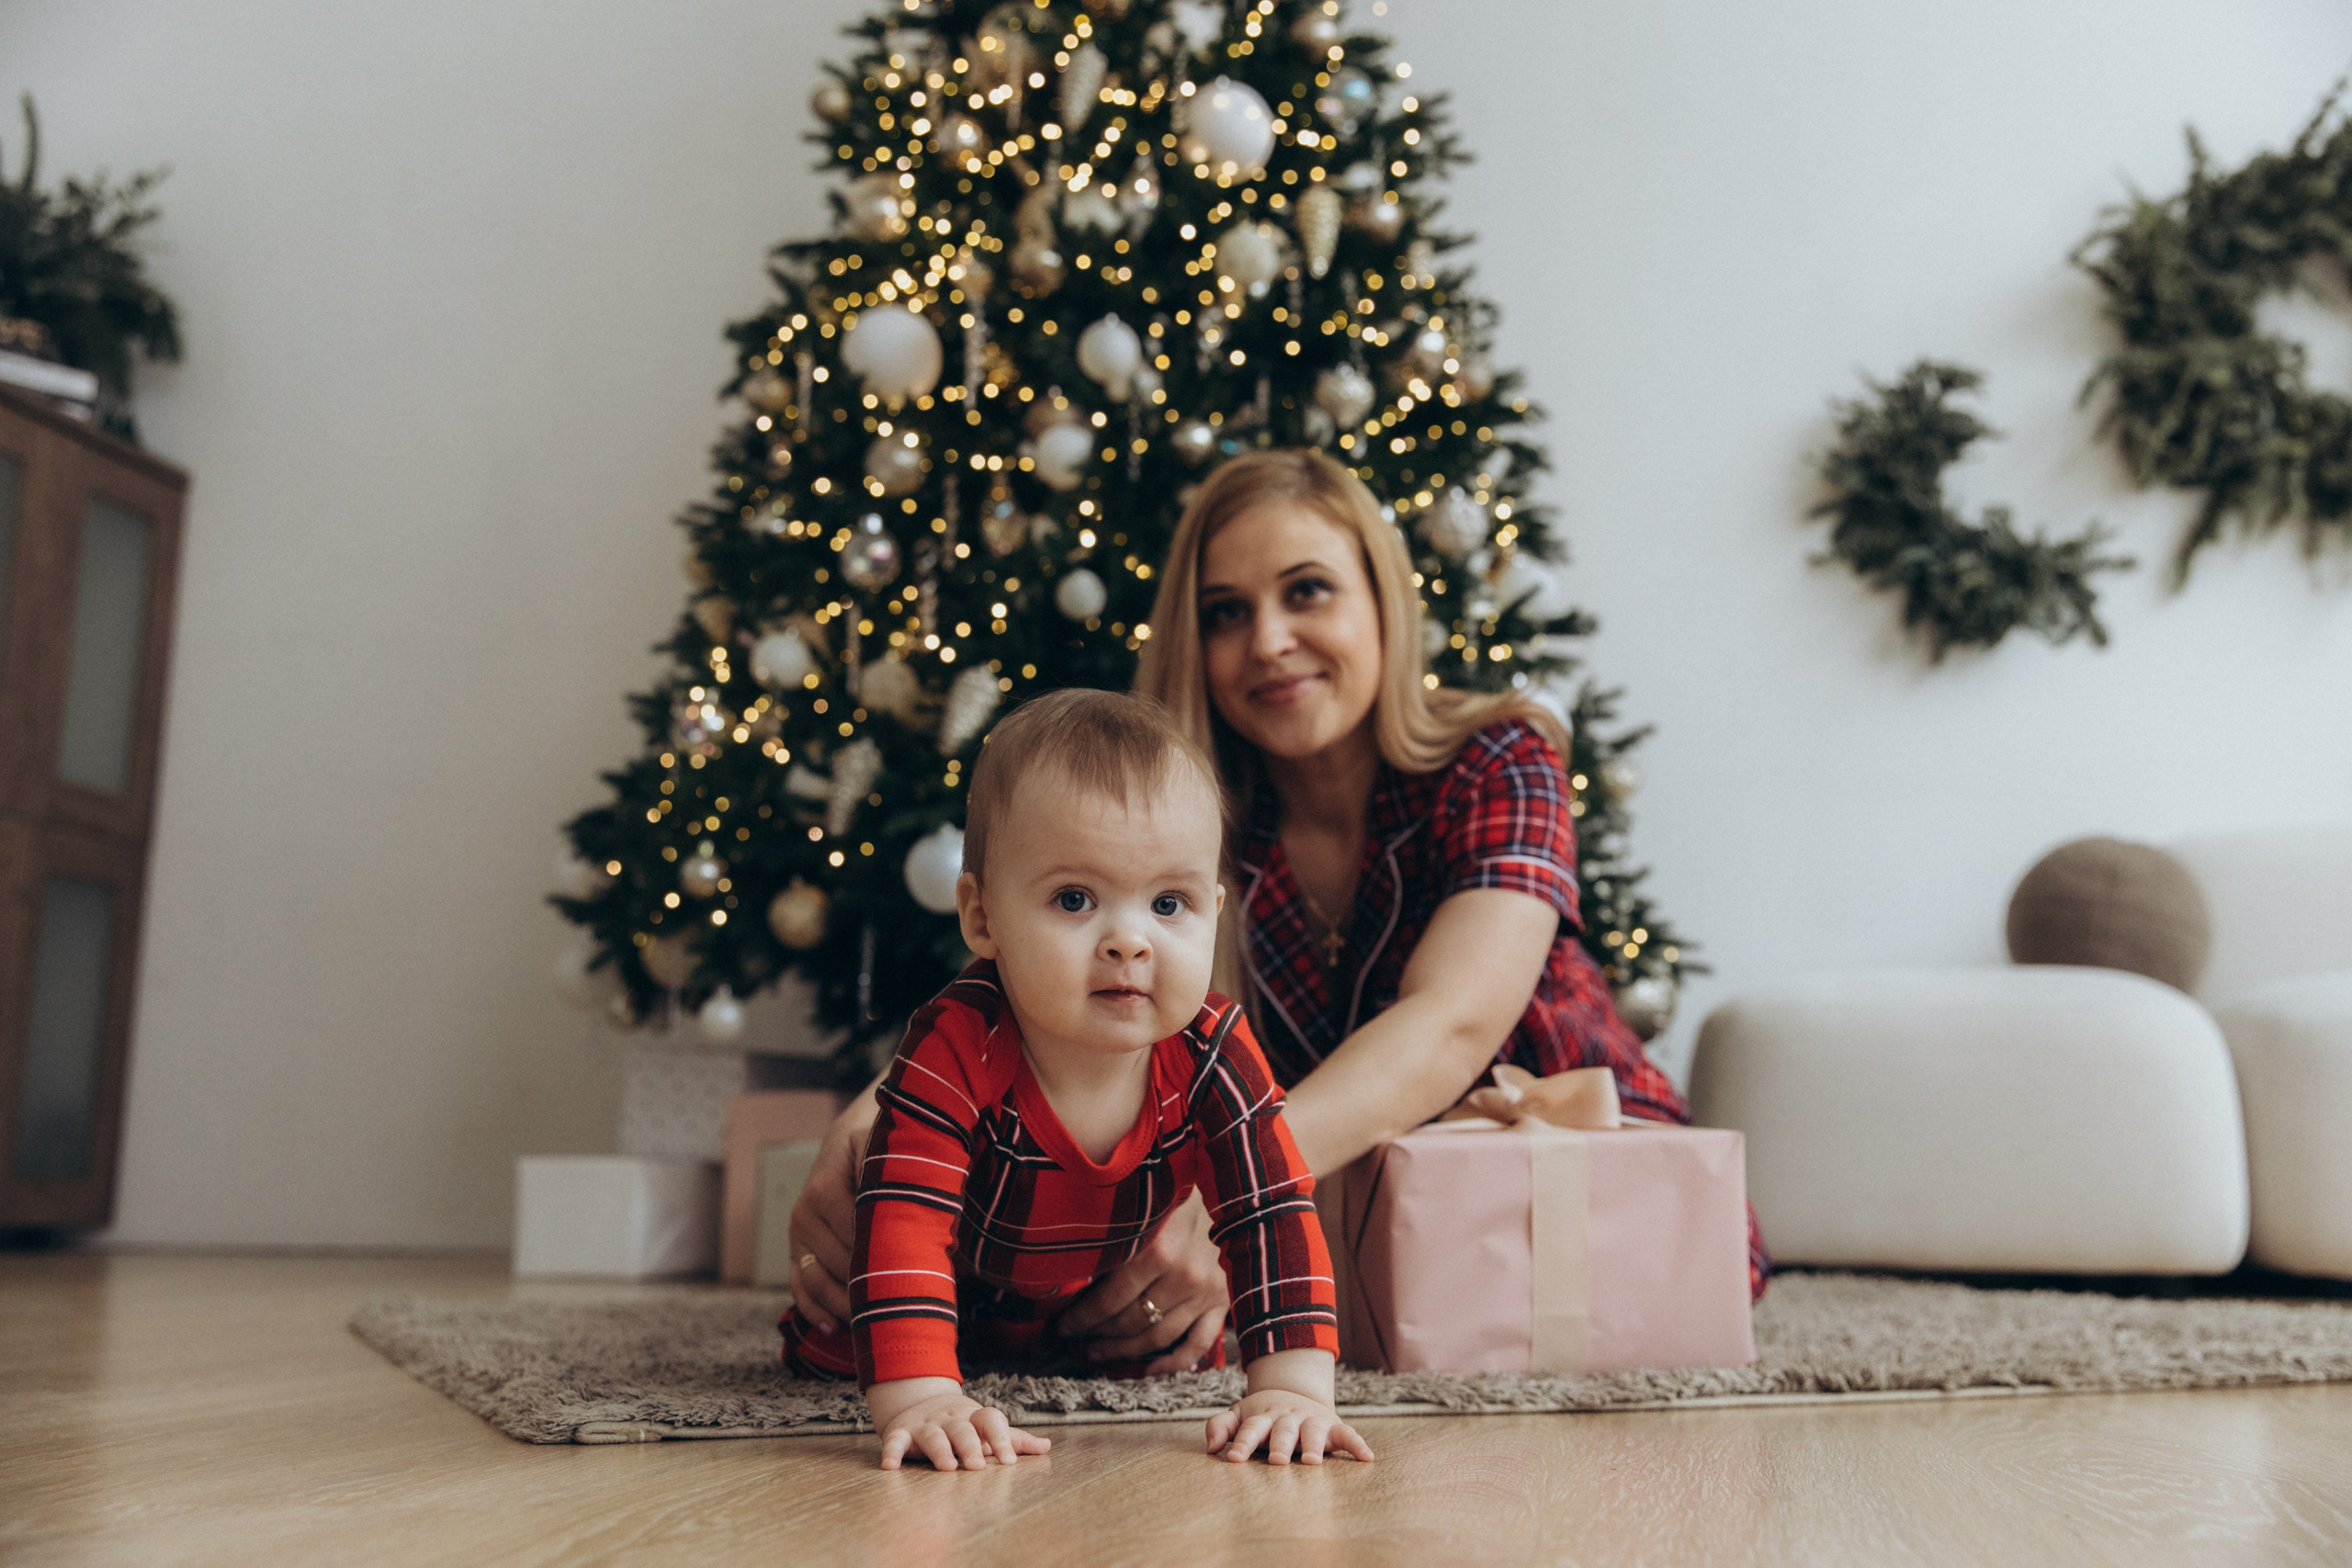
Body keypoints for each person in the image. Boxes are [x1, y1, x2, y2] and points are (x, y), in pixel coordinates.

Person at [790, 449, 1767, 1374]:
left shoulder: (1500, 759)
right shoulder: (1199, 816)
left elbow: (1451, 1025)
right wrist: (890, 1105)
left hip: (1562, 1175)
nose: (1266, 641)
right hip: (1337, 1198)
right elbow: (1062, 977)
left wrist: (1231, 1197)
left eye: (1307, 591)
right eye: (1225, 612)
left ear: (1381, 600)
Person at [778, 688, 1374, 1471]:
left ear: (1215, 910)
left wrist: (1294, 1388)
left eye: (1169, 903)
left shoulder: (1215, 1051)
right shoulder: (957, 1041)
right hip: (947, 1288)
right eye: (1074, 898)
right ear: (983, 917)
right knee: (839, 1345)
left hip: (1096, 1306)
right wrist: (921, 1397)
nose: (1130, 940)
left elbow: (1270, 1214)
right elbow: (907, 1217)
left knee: (1169, 1354)